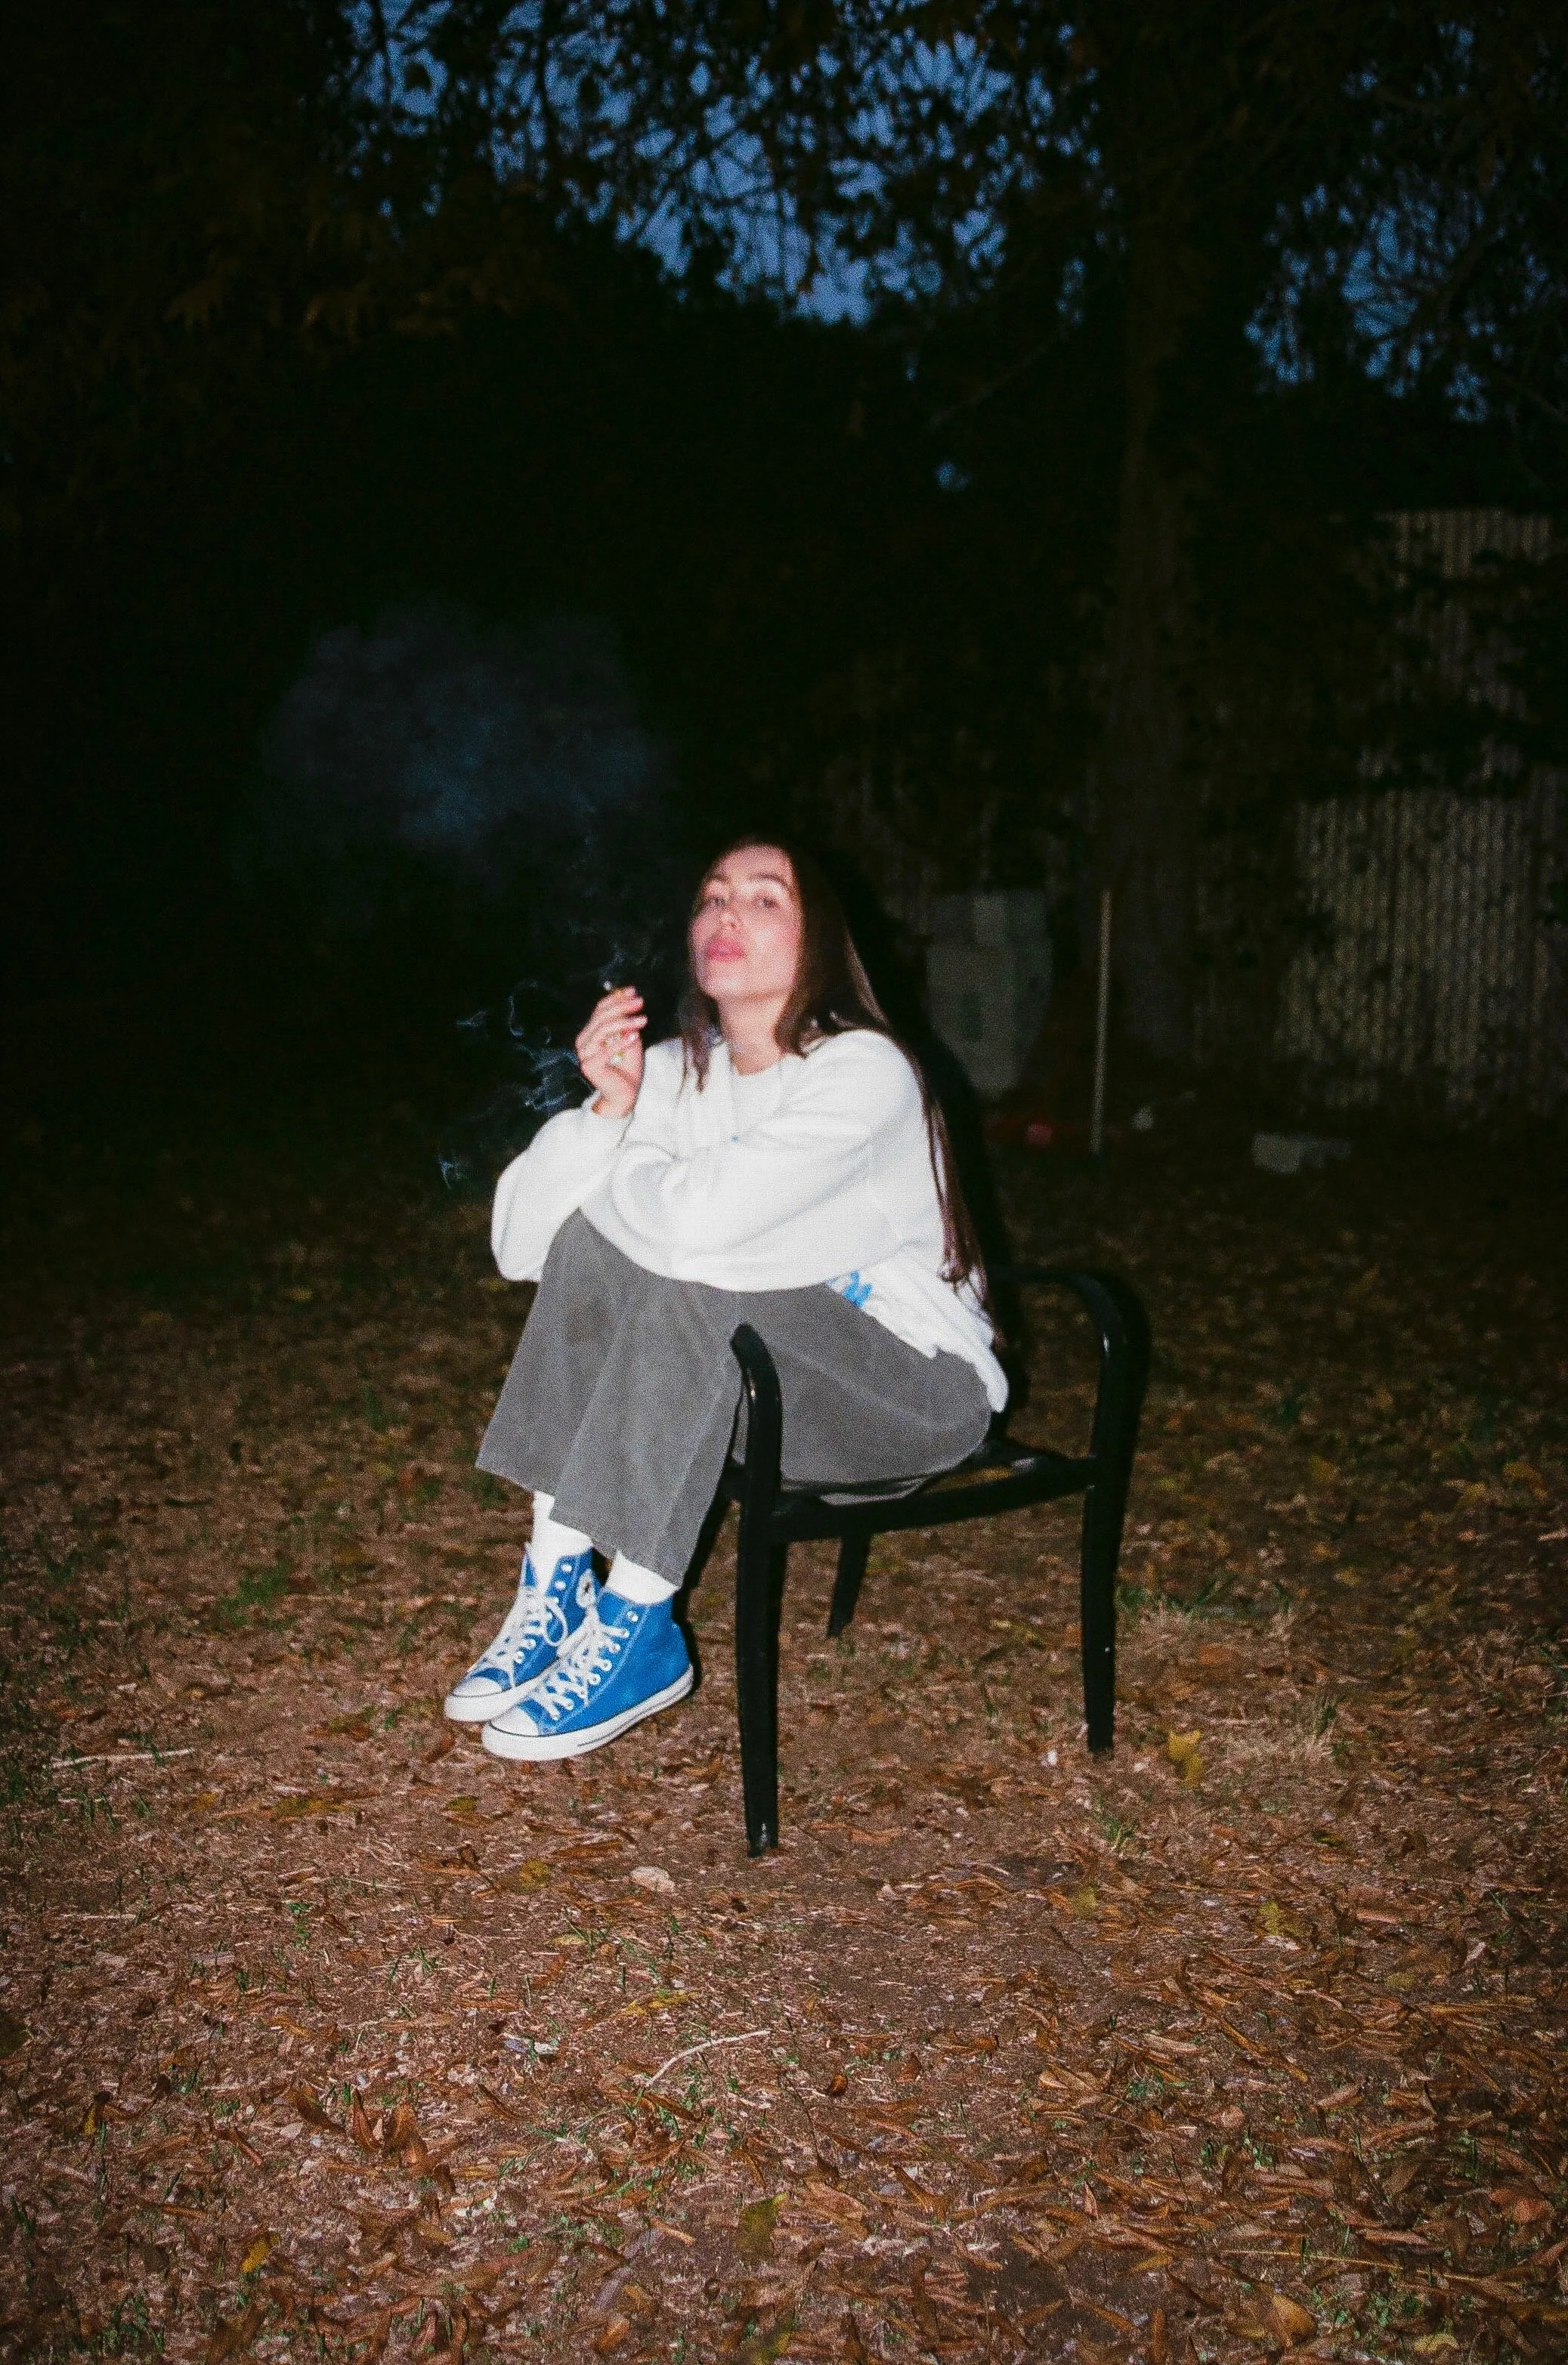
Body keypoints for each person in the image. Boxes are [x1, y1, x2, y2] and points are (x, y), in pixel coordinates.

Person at [444, 838, 1007, 1762]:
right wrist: (608, 1120)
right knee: (606, 1243)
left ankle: (640, 1619)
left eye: (763, 899)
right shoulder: (669, 1071)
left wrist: (631, 1181)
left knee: (692, 1276)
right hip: (748, 1388)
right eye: (711, 897)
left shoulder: (863, 1073)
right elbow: (522, 1248)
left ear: (818, 940)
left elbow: (697, 1238)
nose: (725, 914)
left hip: (908, 1392)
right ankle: (556, 1583)